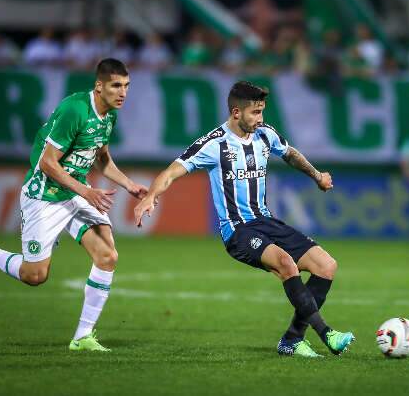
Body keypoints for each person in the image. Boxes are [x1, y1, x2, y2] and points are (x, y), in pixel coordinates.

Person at [134, 81, 355, 358]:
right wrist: (150, 196)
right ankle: (327, 334)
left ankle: (292, 340)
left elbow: (290, 154)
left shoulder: (265, 135)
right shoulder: (214, 144)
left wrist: (317, 175)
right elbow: (170, 172)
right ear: (236, 112)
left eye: (262, 112)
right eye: (255, 113)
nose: (260, 119)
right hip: (237, 230)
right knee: (286, 264)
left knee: (326, 265)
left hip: (266, 221)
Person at [0, 58, 148, 352]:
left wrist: (129, 184)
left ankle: (82, 337)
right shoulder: (75, 110)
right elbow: (47, 163)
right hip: (45, 194)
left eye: (126, 86)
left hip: (75, 190)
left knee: (107, 256)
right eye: (116, 85)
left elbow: (101, 158)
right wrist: (85, 193)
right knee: (34, 276)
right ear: (99, 86)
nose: (123, 92)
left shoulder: (109, 114)